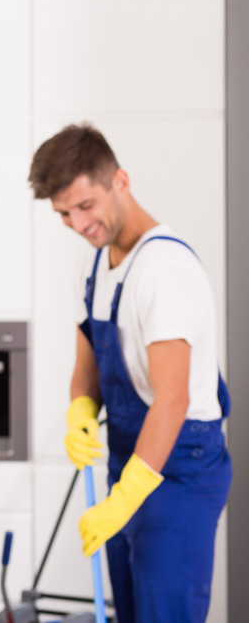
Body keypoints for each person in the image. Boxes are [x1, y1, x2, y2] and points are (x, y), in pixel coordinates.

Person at [29, 123, 231, 623]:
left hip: (180, 466)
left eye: (86, 206)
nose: (78, 224)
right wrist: (80, 410)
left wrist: (124, 500)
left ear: (120, 180)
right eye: (64, 214)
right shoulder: (95, 264)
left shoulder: (163, 269)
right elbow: (88, 368)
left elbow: (173, 400)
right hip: (129, 459)